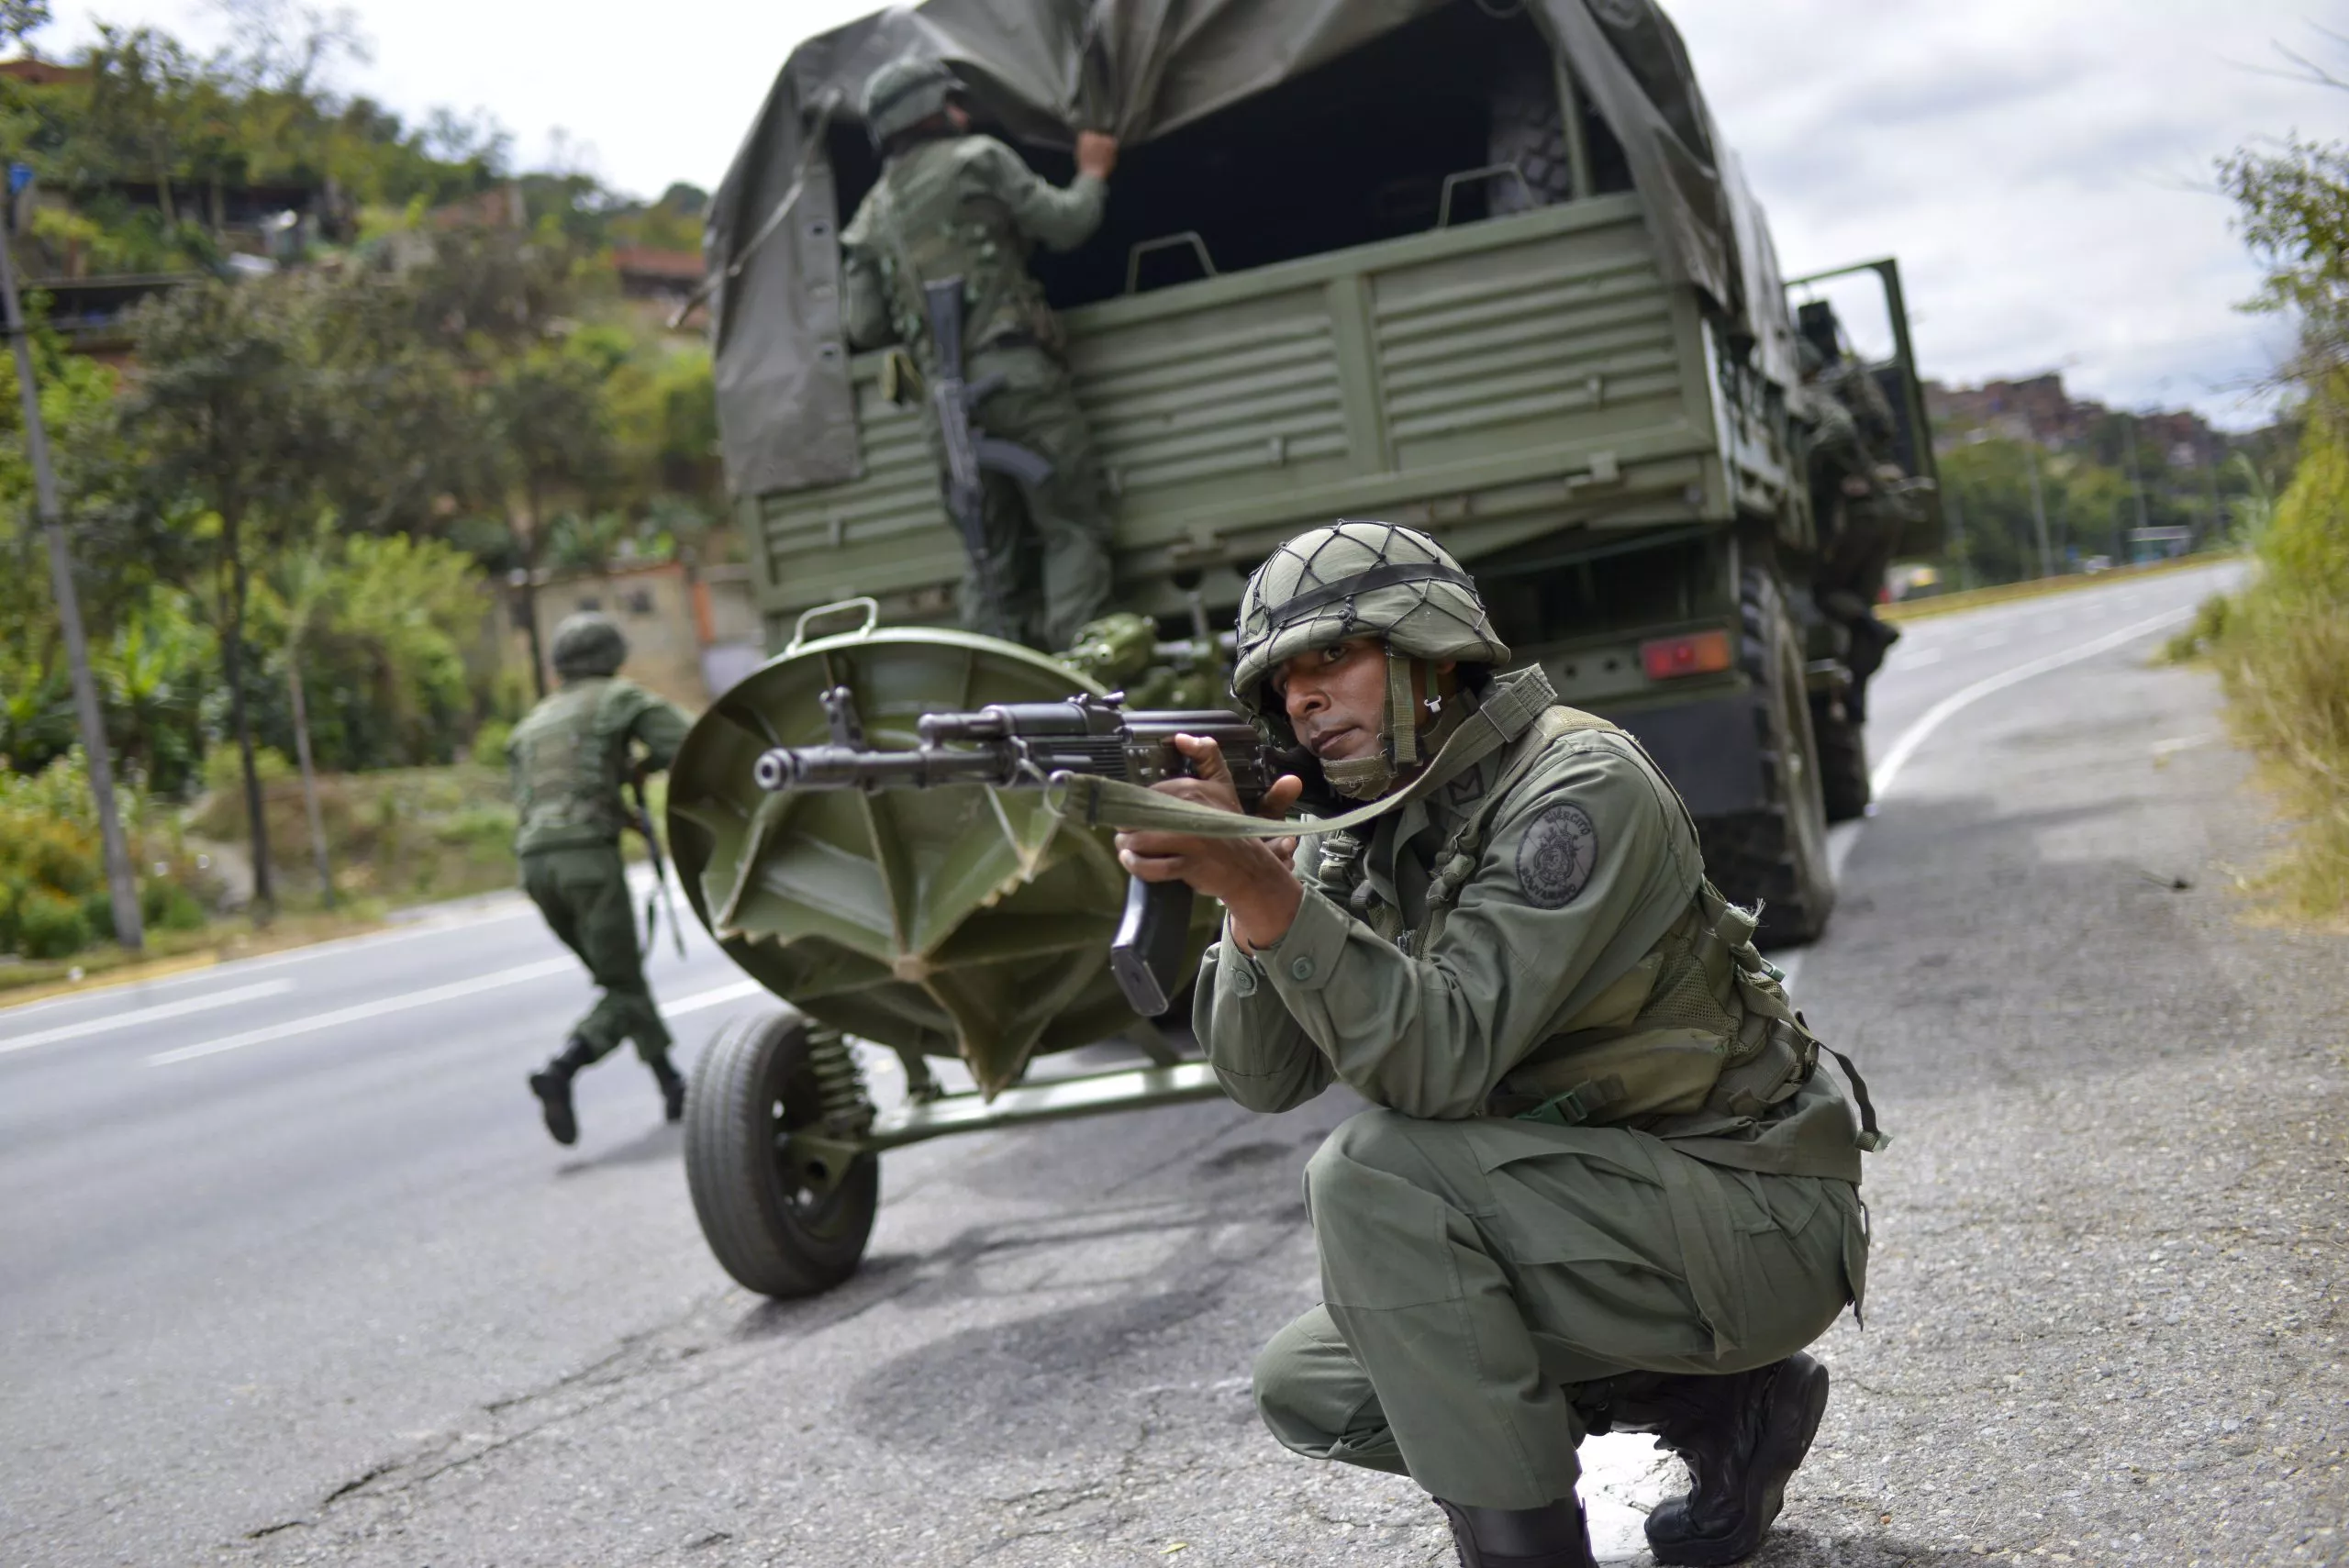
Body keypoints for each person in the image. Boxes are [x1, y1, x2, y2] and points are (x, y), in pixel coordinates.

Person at [1111, 521, 1881, 1568]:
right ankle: (1721, 1408)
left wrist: (1257, 883)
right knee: (1316, 1383)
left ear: (1430, 651)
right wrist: (1256, 872)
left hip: (1751, 1209)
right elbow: (1263, 1074)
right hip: (1615, 1206)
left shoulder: (1575, 783)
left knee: (1375, 1174)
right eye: (1282, 679)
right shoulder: (1375, 814)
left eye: (1333, 654)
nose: (1301, 696)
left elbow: (1440, 1056)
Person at [840, 55, 1119, 652]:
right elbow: (1067, 225)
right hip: (1016, 379)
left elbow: (862, 325)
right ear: (929, 111)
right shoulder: (978, 159)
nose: (962, 113)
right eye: (951, 102)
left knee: (988, 561)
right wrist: (1092, 172)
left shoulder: (869, 216)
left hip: (946, 411)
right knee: (1071, 527)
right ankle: (1084, 680)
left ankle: (996, 695)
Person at [507, 612, 696, 1147]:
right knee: (622, 989)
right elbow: (686, 740)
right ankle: (562, 1068)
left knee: (625, 982)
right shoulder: (618, 699)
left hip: (535, 865)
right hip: (587, 861)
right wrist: (642, 770)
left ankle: (670, 1083)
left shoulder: (533, 723)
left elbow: (540, 796)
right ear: (612, 655)